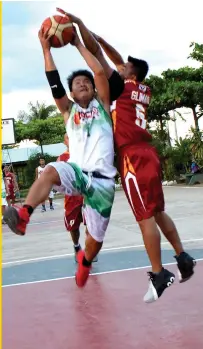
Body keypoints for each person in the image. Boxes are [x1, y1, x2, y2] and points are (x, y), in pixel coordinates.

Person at [56, 8, 196, 302]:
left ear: (129, 73)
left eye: (124, 67)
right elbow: (115, 57)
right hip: (149, 154)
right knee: (157, 212)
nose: (119, 67)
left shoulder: (119, 88)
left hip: (132, 157)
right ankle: (182, 257)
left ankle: (159, 274)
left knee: (145, 217)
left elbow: (104, 59)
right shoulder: (140, 88)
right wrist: (94, 33)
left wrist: (82, 31)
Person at [4, 27, 116, 287]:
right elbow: (53, 80)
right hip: (76, 171)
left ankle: (86, 262)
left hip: (102, 181)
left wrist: (77, 42)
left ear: (94, 89)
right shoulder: (68, 110)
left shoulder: (103, 106)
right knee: (51, 170)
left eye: (86, 82)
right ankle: (24, 216)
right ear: (72, 95)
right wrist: (46, 50)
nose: (83, 83)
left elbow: (99, 71)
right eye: (77, 84)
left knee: (95, 240)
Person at [57, 133, 98, 263]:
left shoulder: (86, 154)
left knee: (90, 223)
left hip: (87, 195)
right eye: (68, 137)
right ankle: (76, 247)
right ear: (65, 142)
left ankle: (89, 249)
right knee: (73, 226)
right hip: (71, 197)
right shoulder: (61, 158)